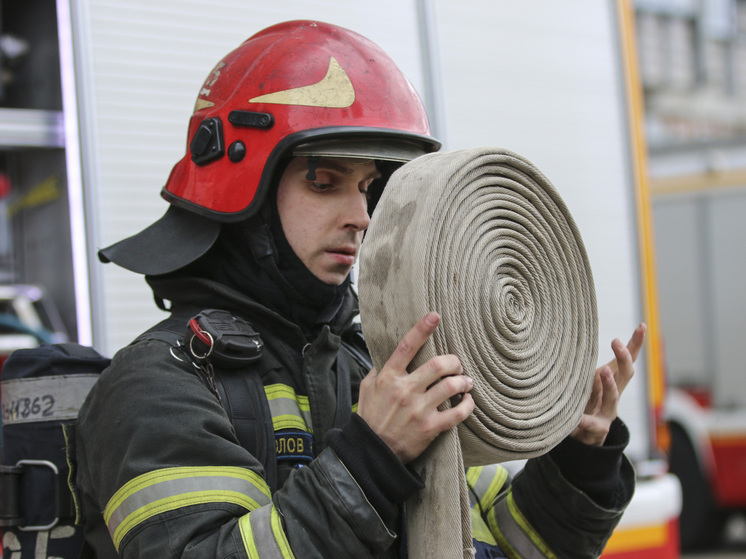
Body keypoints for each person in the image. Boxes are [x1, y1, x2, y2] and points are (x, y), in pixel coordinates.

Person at [75, 20, 644, 559]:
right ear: (242, 186)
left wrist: (580, 459)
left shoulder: (380, 372)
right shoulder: (157, 385)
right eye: (324, 182)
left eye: (369, 187)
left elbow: (500, 545)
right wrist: (370, 460)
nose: (362, 216)